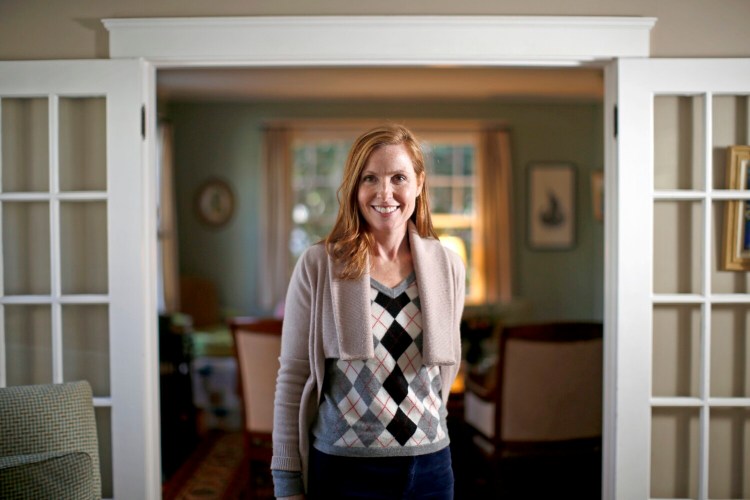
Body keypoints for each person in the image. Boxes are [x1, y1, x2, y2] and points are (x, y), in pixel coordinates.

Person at [271, 123, 465, 499]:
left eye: (398, 178)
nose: (385, 192)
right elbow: (293, 378)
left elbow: (442, 377)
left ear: (419, 183)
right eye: (370, 178)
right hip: (343, 469)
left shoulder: (449, 267)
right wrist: (286, 480)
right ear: (354, 187)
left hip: (430, 468)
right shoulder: (318, 265)